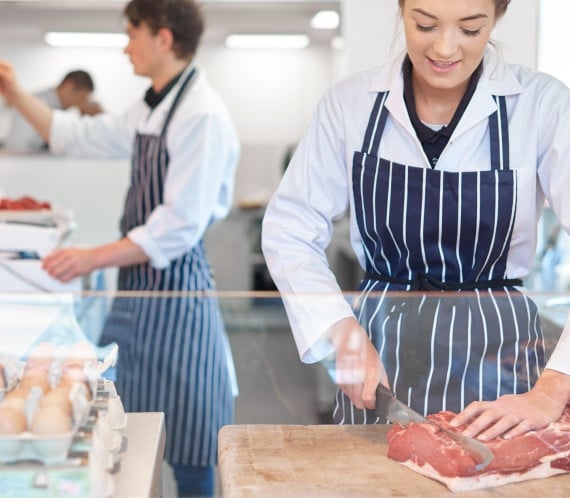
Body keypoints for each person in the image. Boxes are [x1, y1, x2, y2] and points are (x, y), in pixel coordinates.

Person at [262, 0, 570, 443]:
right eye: (425, 24)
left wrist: (551, 389)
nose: (444, 48)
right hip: (380, 357)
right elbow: (289, 227)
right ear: (402, 9)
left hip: (499, 367)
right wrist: (341, 332)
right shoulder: (350, 104)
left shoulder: (541, 106)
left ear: (497, 18)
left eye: (470, 29)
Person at [0, 0, 239, 496]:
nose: (125, 46)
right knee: (122, 430)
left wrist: (91, 257)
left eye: (132, 33)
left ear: (163, 38)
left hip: (178, 291)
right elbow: (79, 135)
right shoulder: (153, 105)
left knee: (193, 440)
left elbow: (177, 227)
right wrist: (16, 94)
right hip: (137, 292)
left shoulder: (202, 114)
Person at [3, 69, 99, 151]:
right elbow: (18, 146)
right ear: (69, 86)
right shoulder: (36, 104)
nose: (80, 104)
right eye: (81, 98)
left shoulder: (56, 108)